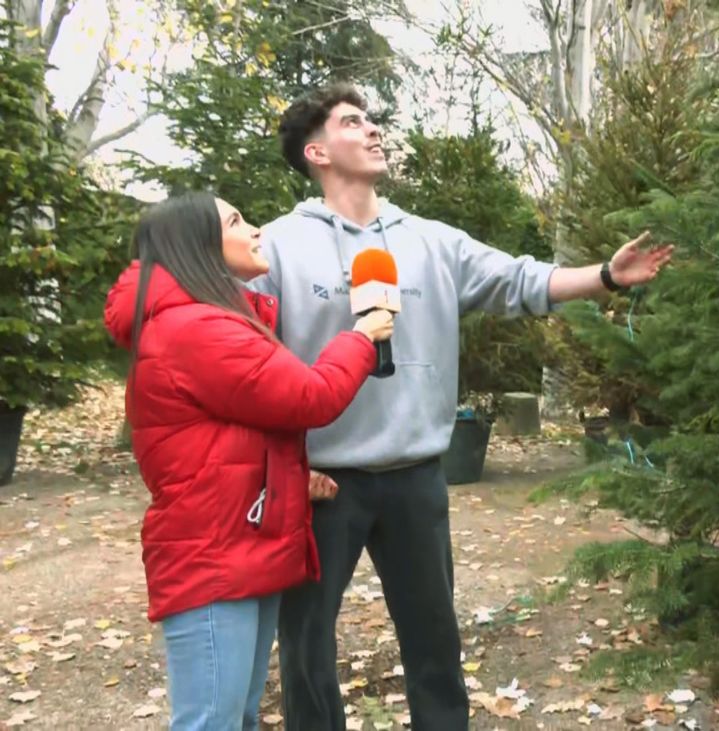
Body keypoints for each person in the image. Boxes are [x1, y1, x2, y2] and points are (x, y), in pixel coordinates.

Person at [249, 82, 673, 730]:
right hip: (320, 484)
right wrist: (281, 464)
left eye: (371, 119)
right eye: (351, 121)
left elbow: (519, 281)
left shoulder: (430, 241)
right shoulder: (276, 245)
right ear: (315, 150)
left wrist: (606, 277)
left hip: (418, 474)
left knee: (434, 646)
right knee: (306, 647)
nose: (371, 129)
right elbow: (251, 362)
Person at [102, 191, 396, 730]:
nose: (256, 228)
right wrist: (359, 337)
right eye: (237, 220)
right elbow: (309, 397)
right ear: (199, 247)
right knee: (211, 721)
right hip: (214, 558)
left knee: (235, 716)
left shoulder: (204, 320)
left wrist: (289, 478)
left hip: (241, 547)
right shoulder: (196, 329)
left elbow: (227, 435)